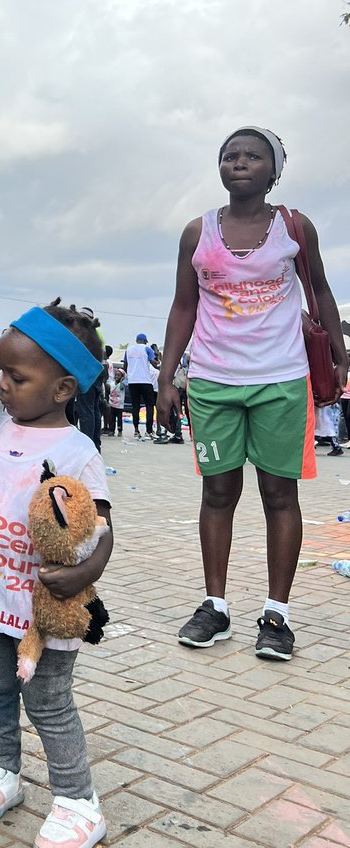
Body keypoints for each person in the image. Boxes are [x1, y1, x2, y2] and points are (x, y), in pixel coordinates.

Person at [157, 127, 347, 661]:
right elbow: (183, 307)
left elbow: (322, 289)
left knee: (279, 495)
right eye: (230, 155)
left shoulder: (295, 227)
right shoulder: (198, 233)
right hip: (215, 382)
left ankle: (277, 616)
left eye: (253, 156)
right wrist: (170, 376)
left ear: (273, 169)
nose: (239, 162)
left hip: (282, 380)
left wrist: (337, 349)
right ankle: (214, 607)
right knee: (217, 495)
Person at [0, 301, 113, 848]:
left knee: (48, 701)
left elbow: (102, 528)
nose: (3, 386)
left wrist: (85, 572)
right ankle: (0, 770)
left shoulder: (76, 451)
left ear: (63, 388)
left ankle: (77, 801)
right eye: (1, 373)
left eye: (17, 377)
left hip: (43, 605)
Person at [123, 333, 157, 440]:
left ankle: (136, 431)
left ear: (136, 340)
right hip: (145, 381)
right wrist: (159, 362)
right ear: (145, 341)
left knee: (135, 406)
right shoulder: (147, 349)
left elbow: (125, 366)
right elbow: (154, 363)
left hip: (132, 382)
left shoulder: (128, 350)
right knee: (149, 406)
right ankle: (149, 431)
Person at [108, 368, 126, 436]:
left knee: (119, 419)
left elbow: (121, 387)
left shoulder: (122, 385)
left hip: (119, 405)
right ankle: (111, 430)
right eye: (116, 375)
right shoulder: (112, 384)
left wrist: (122, 381)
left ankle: (120, 430)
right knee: (112, 418)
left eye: (119, 375)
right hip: (112, 404)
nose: (117, 377)